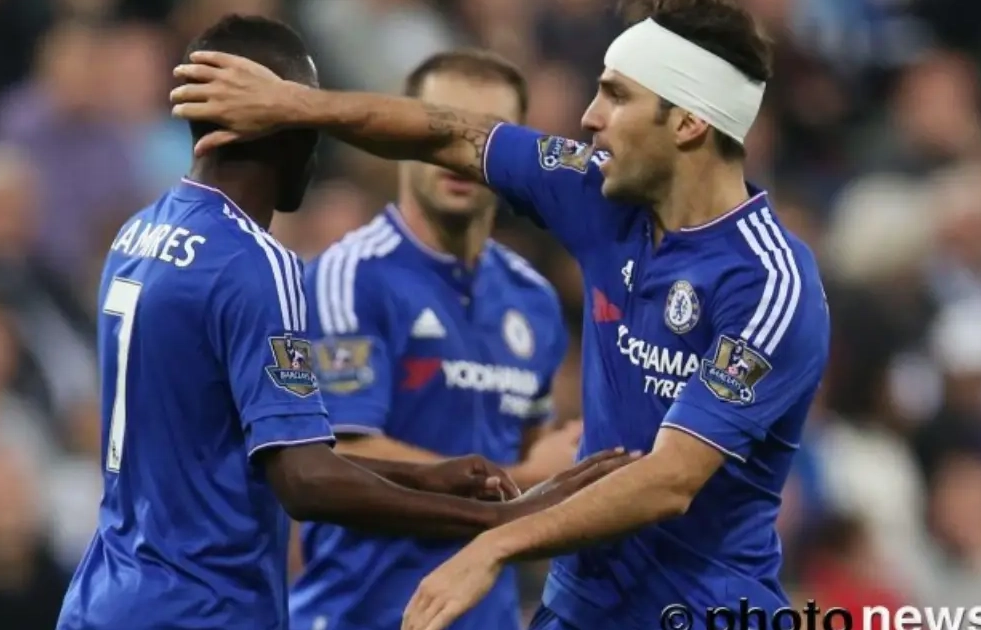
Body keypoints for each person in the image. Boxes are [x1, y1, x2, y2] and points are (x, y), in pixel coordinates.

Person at [168, 0, 831, 628]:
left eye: (617, 96)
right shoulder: (600, 196)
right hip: (578, 605)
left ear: (688, 123)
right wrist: (295, 104)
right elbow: (453, 134)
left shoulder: (768, 284)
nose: (590, 118)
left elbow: (669, 480)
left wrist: (495, 542)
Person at [56, 14, 634, 630]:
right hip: (202, 608)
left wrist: (429, 477)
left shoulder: (141, 233)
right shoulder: (259, 264)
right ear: (283, 129)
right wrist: (501, 516)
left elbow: (246, 447)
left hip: (110, 593)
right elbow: (304, 478)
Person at [290, 50, 581, 630]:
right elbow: (339, 455)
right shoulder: (351, 276)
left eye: (485, 137)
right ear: (403, 136)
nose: (458, 153)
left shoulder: (534, 298)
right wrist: (526, 481)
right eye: (439, 128)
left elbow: (533, 448)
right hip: (363, 616)